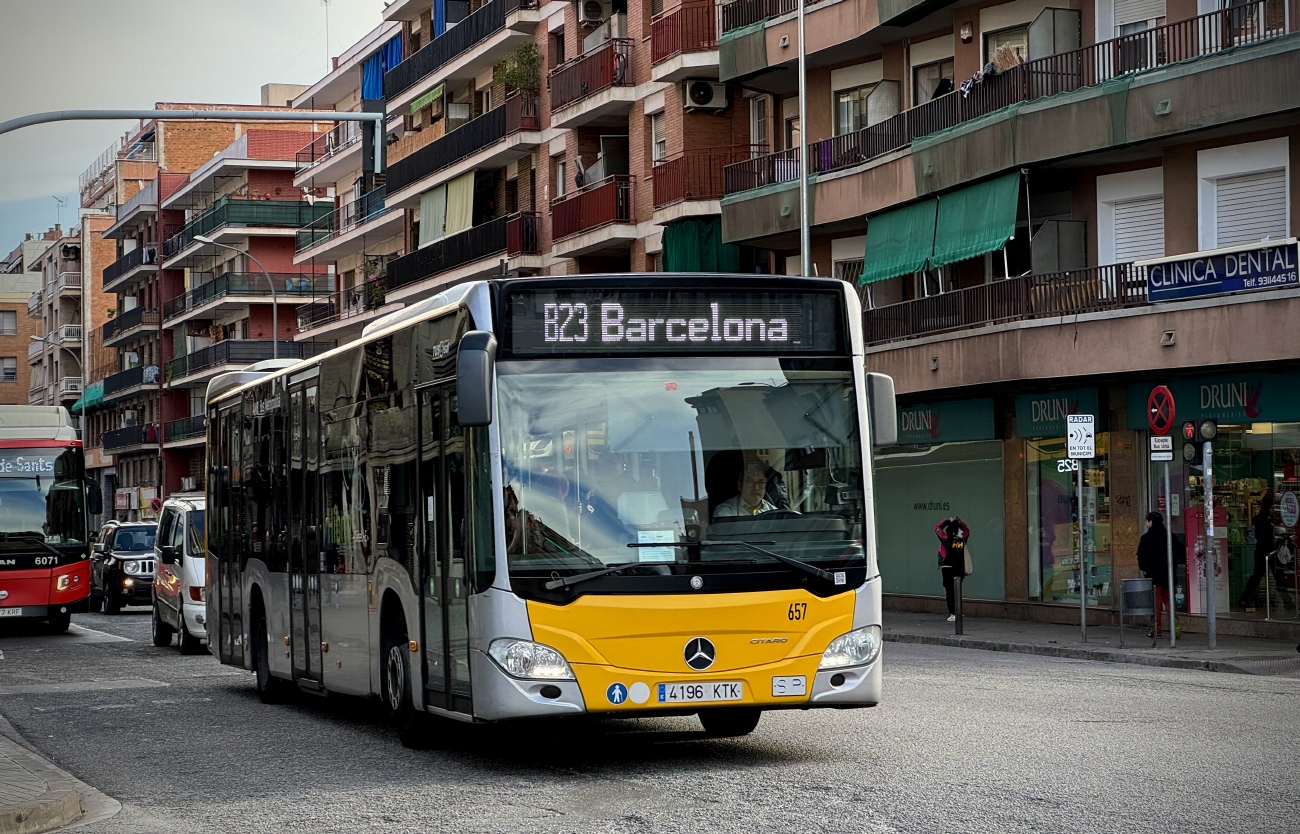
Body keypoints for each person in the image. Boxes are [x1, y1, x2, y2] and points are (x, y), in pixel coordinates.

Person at [1240, 491, 1295, 611]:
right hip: (1263, 551)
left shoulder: (1271, 520)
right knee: (1259, 576)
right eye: (1272, 508)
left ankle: (1287, 601)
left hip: (1272, 552)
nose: (1274, 510)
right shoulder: (1261, 520)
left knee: (1277, 576)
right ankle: (1245, 598)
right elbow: (1262, 536)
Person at [1137, 511, 1175, 638]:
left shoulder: (1146, 538)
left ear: (1150, 522)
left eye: (1147, 521)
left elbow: (1141, 556)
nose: (1146, 523)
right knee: (1169, 602)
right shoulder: (1170, 536)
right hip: (1169, 575)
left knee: (1156, 604)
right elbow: (1179, 551)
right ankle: (1176, 627)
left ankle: (1157, 630)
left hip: (1154, 576)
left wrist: (1145, 568)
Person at [934, 516, 969, 622]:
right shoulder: (962, 539)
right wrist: (960, 522)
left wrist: (947, 521)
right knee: (957, 590)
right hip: (959, 568)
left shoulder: (945, 538)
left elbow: (937, 528)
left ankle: (953, 613)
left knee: (949, 592)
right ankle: (958, 612)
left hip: (948, 568)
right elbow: (966, 530)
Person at [713, 461, 777, 518]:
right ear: (740, 485)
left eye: (761, 482)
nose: (756, 487)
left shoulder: (775, 513)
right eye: (750, 482)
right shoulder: (725, 512)